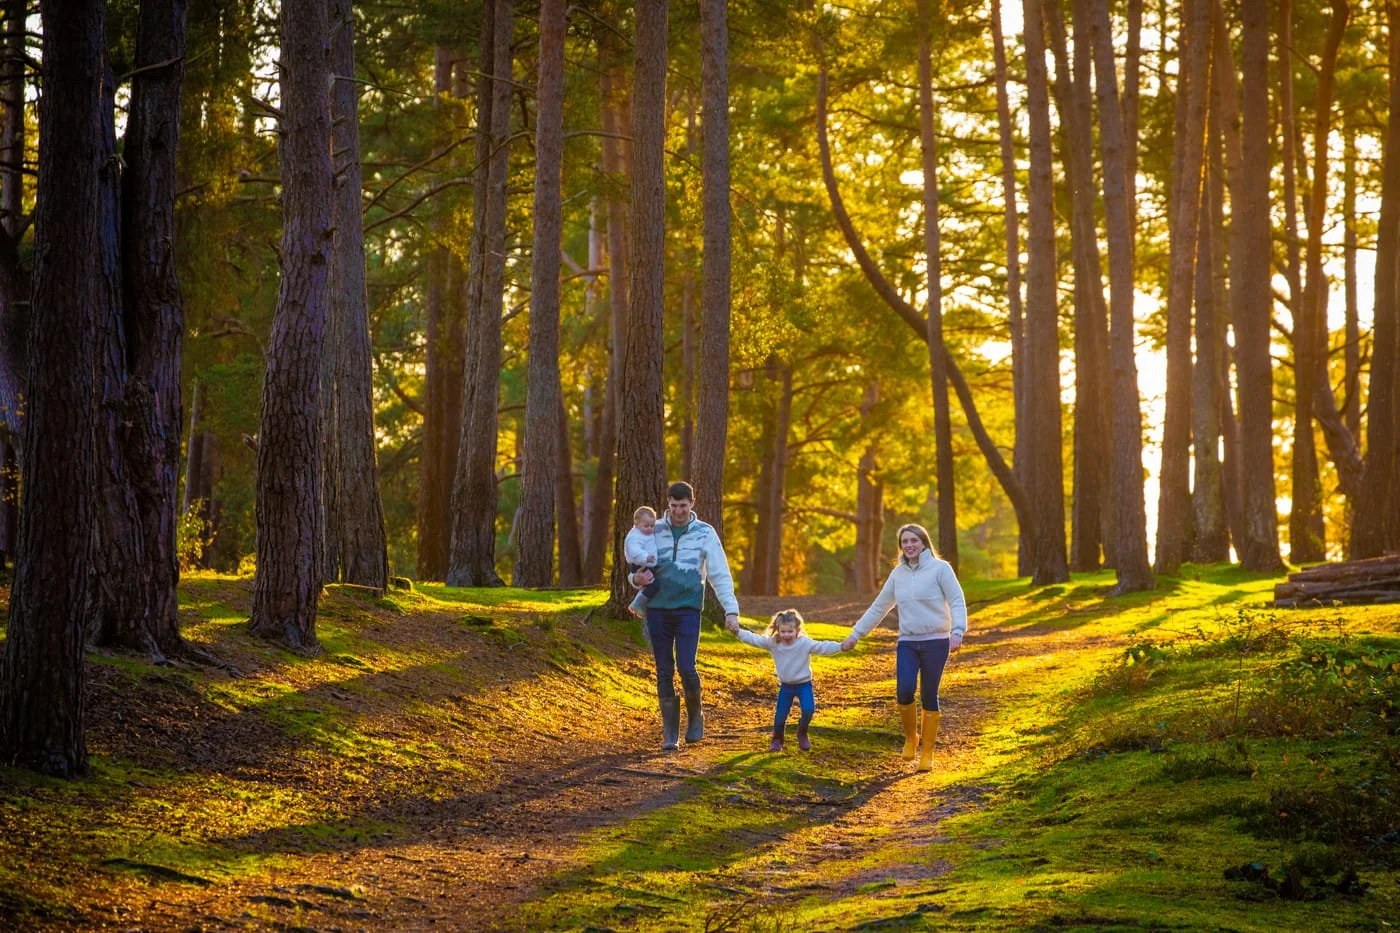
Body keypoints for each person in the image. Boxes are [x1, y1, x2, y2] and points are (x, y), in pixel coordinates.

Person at [840, 523, 966, 772]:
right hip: (907, 641)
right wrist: (856, 634)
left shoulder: (941, 569)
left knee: (929, 695)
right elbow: (879, 606)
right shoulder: (898, 574)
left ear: (924, 543)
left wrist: (958, 631)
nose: (909, 545)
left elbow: (956, 600)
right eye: (905, 542)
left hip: (936, 641)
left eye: (913, 541)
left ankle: (927, 753)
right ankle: (912, 738)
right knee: (905, 690)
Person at [629, 481, 740, 751]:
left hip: (689, 608)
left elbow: (719, 574)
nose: (678, 511)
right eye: (674, 505)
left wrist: (731, 610)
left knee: (687, 666)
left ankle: (695, 717)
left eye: (683, 505)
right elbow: (634, 562)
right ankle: (670, 733)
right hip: (657, 609)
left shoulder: (705, 533)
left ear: (692, 503)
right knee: (664, 669)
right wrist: (635, 578)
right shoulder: (653, 529)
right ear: (668, 503)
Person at [726, 608, 850, 751]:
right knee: (780, 715)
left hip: (804, 685)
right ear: (778, 630)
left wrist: (841, 646)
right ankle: (777, 740)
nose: (786, 635)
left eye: (790, 632)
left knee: (809, 710)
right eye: (783, 632)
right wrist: (738, 632)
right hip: (786, 687)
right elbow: (755, 639)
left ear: (797, 630)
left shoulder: (804, 643)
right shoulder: (774, 643)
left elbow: (822, 647)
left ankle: (802, 733)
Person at [624, 506, 660, 617]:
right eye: (646, 526)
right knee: (653, 585)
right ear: (636, 523)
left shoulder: (648, 532)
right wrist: (645, 557)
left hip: (649, 564)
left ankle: (639, 603)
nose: (650, 528)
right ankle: (637, 604)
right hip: (641, 565)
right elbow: (634, 550)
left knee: (652, 585)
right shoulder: (634, 536)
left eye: (652, 526)